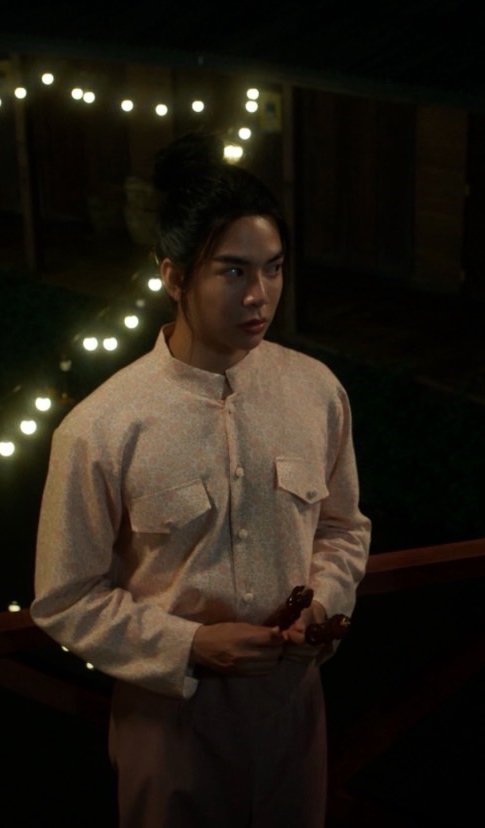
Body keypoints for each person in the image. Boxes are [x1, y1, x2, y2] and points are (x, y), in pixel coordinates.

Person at [30, 132, 371, 828]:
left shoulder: (316, 392)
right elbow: (64, 598)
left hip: (292, 705)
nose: (260, 295)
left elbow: (342, 527)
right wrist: (188, 645)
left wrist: (323, 603)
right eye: (233, 271)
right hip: (169, 717)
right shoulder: (103, 426)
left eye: (274, 268)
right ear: (174, 276)